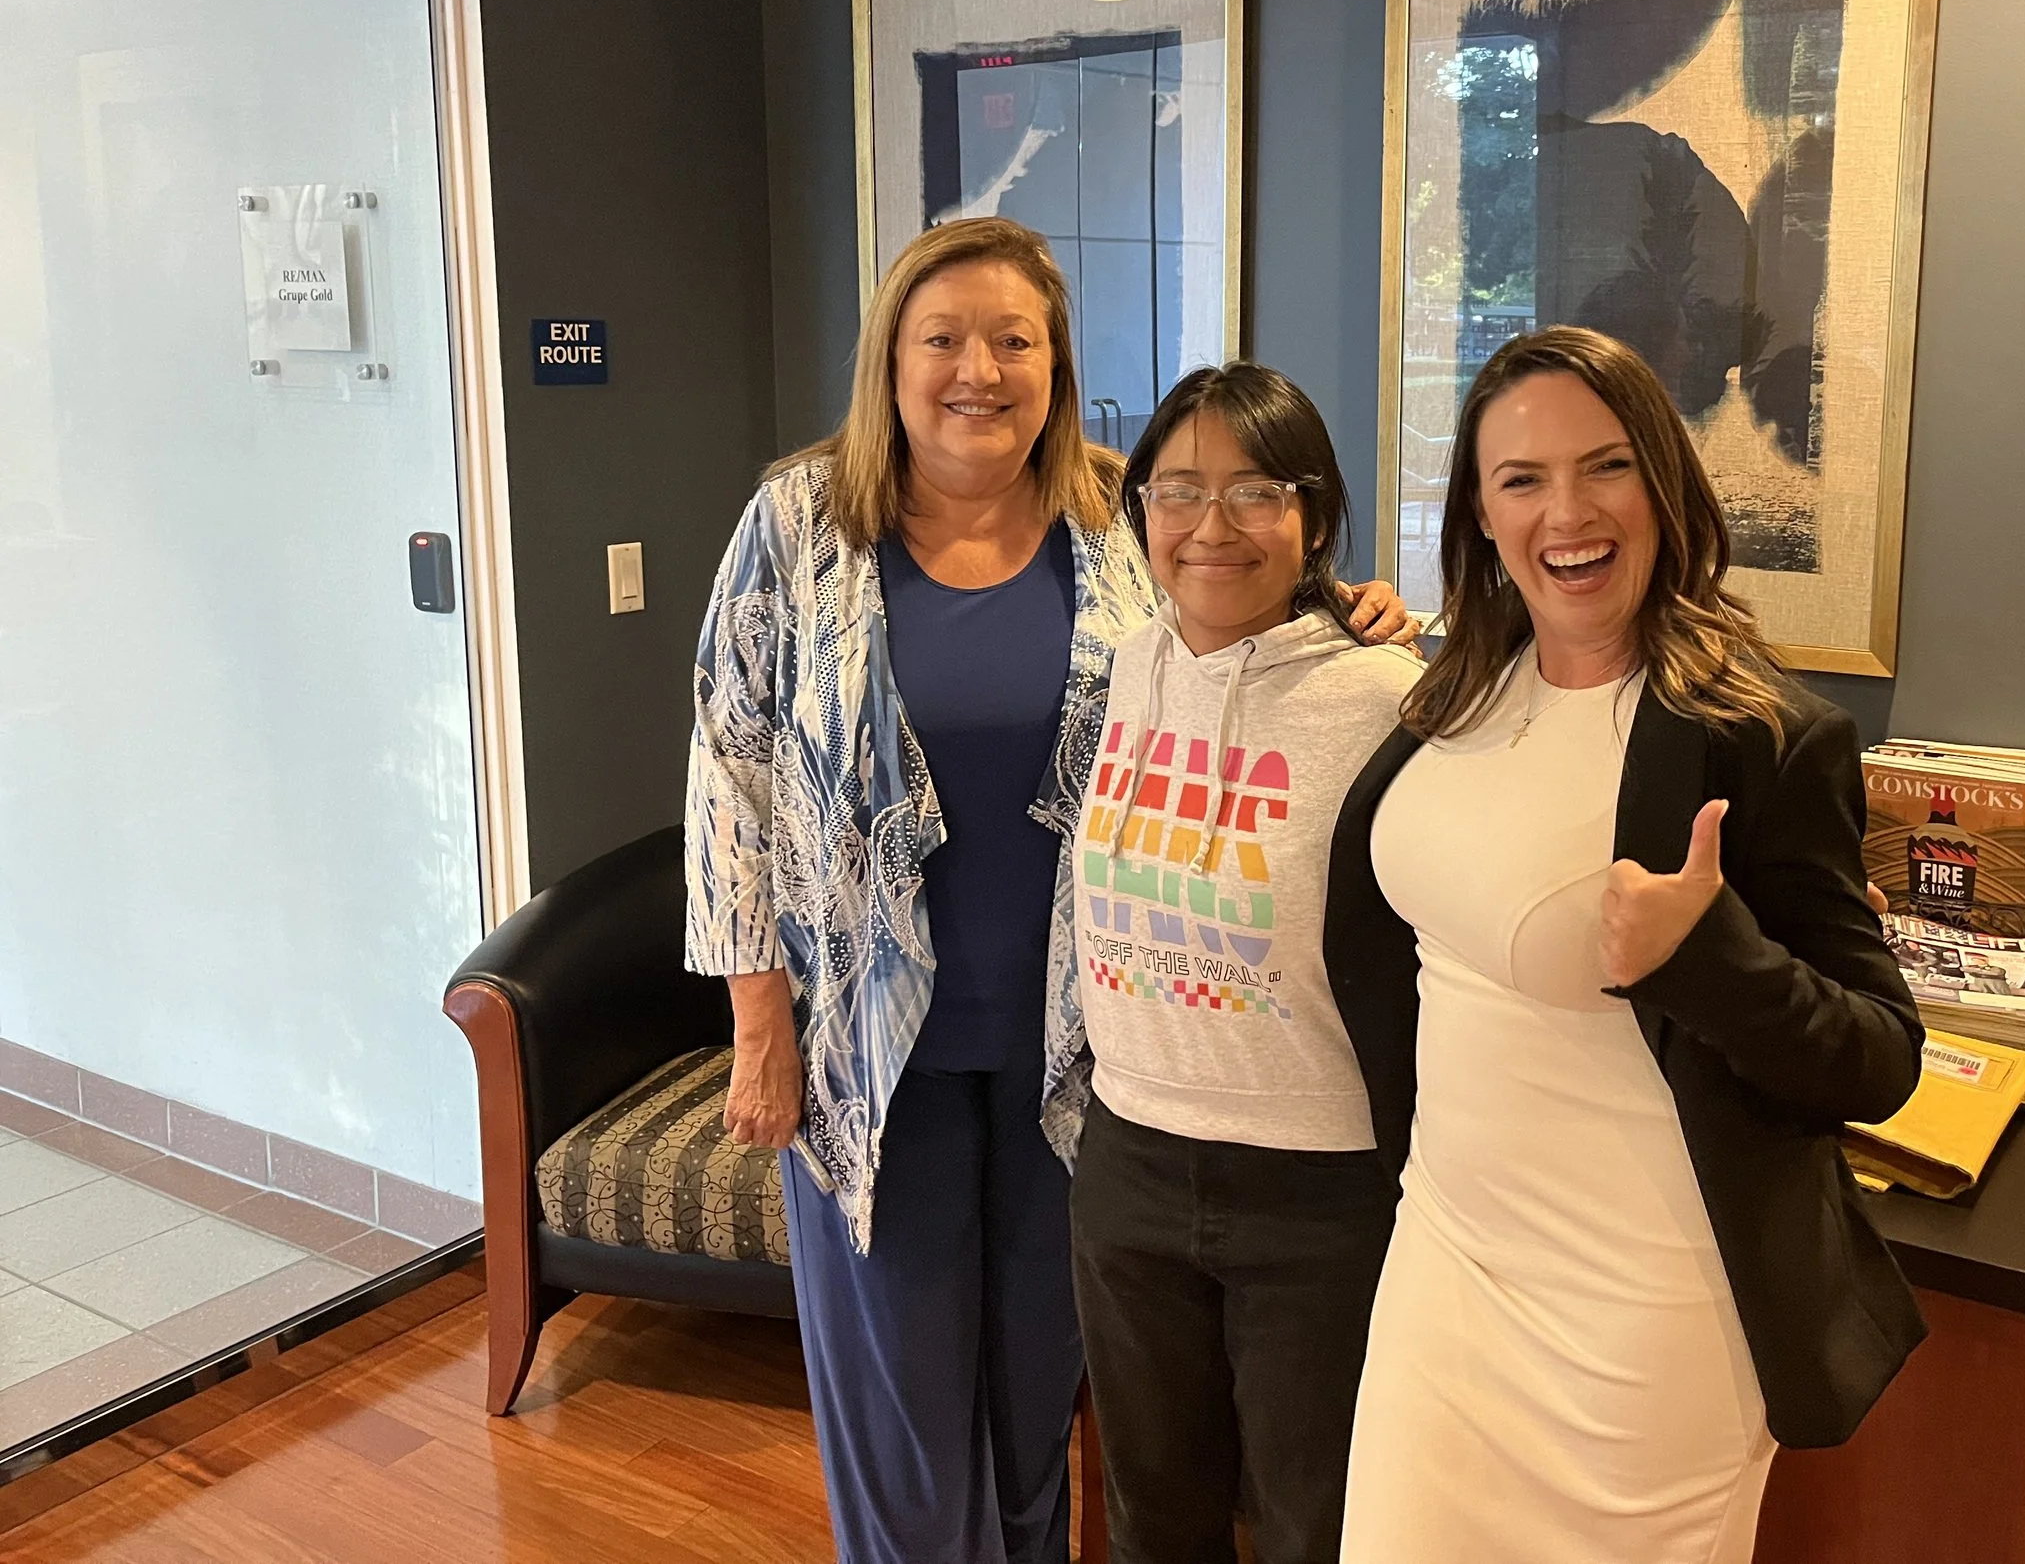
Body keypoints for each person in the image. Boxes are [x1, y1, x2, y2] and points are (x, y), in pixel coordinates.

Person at [682, 218, 1408, 1564]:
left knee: (1036, 1395)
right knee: (905, 1420)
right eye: (943, 338)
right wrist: (758, 1024)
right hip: (869, 1048)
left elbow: (1230, 626)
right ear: (891, 360)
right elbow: (731, 772)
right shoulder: (800, 520)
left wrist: (1346, 609)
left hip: (1084, 1053)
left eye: (1014, 340)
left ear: (1057, 365)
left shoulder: (1117, 511)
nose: (980, 370)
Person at [1325, 324, 1927, 1564]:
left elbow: (1877, 1059)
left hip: (1643, 1323)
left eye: (1604, 466)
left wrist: (1713, 957)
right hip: (1445, 1269)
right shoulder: (1452, 693)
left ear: (1662, 481)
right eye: (1522, 479)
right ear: (1480, 514)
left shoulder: (1761, 736)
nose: (1567, 514)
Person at [1067, 364, 1417, 1564]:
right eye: (1178, 490)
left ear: (1313, 516)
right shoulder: (1126, 666)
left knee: (1318, 1525)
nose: (1211, 525)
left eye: (1256, 490)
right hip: (1128, 1157)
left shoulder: (1388, 699)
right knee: (1151, 1520)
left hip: (1317, 1185)